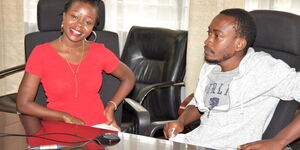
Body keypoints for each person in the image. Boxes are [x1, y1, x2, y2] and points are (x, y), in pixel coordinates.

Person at [163, 8, 300, 149]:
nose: (207, 41)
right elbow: (198, 104)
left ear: (239, 44)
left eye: (217, 36)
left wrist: (279, 141)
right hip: (196, 143)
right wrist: (180, 122)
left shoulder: (264, 68)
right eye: (209, 33)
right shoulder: (211, 67)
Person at [16, 0, 135, 134]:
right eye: (74, 16)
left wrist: (111, 106)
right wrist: (65, 116)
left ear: (92, 28)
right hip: (59, 129)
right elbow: (23, 103)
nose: (79, 25)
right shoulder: (41, 53)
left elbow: (129, 77)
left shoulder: (99, 52)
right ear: (64, 16)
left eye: (87, 22)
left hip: (97, 128)